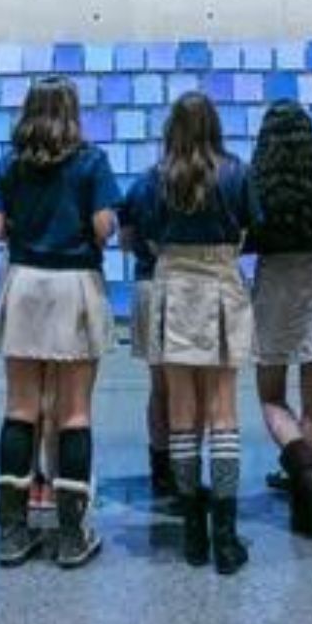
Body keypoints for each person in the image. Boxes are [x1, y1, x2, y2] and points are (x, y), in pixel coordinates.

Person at [0, 77, 120, 569]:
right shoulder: (92, 160)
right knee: (74, 412)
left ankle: (12, 532)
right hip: (74, 283)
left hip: (24, 283)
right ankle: (70, 534)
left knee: (20, 407)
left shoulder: (10, 162)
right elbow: (106, 227)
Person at [134, 91, 259, 574]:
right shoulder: (238, 171)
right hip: (222, 282)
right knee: (223, 409)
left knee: (181, 410)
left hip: (172, 284)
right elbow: (255, 225)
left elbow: (136, 233)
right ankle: (226, 538)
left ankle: (192, 533)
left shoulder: (154, 178)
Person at [247, 100, 312, 539]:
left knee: (271, 397)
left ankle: (301, 467)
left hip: (273, 284)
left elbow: (244, 239)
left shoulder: (255, 181)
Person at [115, 168, 176, 501]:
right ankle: (187, 467)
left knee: (160, 387)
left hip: (148, 285)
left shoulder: (140, 186)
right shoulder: (207, 177)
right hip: (191, 286)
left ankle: (161, 467)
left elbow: (124, 243)